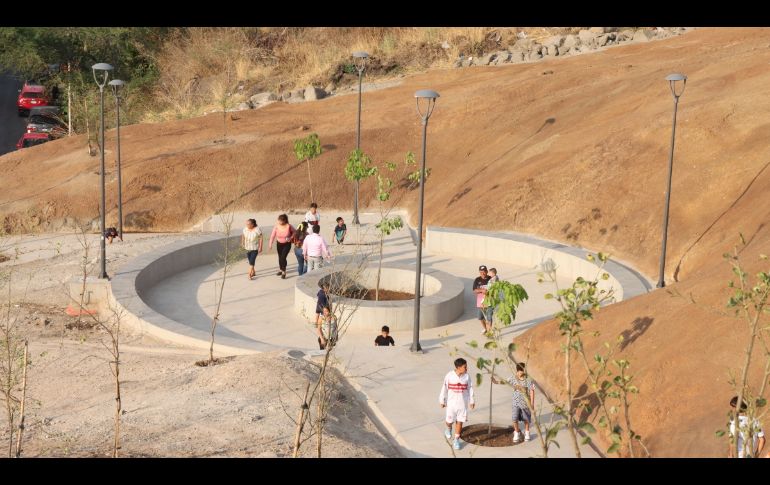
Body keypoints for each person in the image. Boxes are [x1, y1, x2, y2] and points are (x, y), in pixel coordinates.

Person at [493, 362, 535, 443]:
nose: (519, 373)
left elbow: (532, 391)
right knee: (514, 418)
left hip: (525, 404)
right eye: (518, 371)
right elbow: (505, 382)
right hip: (515, 403)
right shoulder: (514, 378)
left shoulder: (528, 380)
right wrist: (496, 382)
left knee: (526, 419)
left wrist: (532, 404)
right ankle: (516, 432)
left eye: (521, 371)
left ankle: (527, 433)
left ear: (524, 370)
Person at [439, 357, 475, 451]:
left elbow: (470, 388)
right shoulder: (449, 376)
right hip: (451, 404)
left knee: (460, 422)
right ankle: (448, 428)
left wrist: (472, 401)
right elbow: (444, 388)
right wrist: (442, 400)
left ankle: (456, 440)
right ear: (458, 367)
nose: (467, 368)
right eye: (465, 367)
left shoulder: (467, 377)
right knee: (449, 421)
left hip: (462, 404)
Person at [268, 214, 295, 279]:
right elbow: (272, 236)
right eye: (279, 220)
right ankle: (281, 269)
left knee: (283, 257)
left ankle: (284, 271)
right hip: (279, 244)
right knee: (280, 257)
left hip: (287, 244)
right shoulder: (276, 227)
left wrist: (291, 237)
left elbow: (295, 232)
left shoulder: (289, 226)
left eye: (280, 220)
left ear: (284, 220)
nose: (279, 222)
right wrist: (270, 244)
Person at [473, 265, 493, 334]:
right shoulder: (477, 280)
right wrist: (482, 290)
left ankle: (489, 331)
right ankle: (485, 329)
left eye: (484, 272)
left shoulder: (491, 279)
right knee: (480, 317)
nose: (482, 273)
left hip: (489, 301)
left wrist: (489, 292)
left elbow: (495, 289)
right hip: (480, 302)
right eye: (481, 272)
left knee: (489, 317)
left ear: (487, 271)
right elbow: (474, 290)